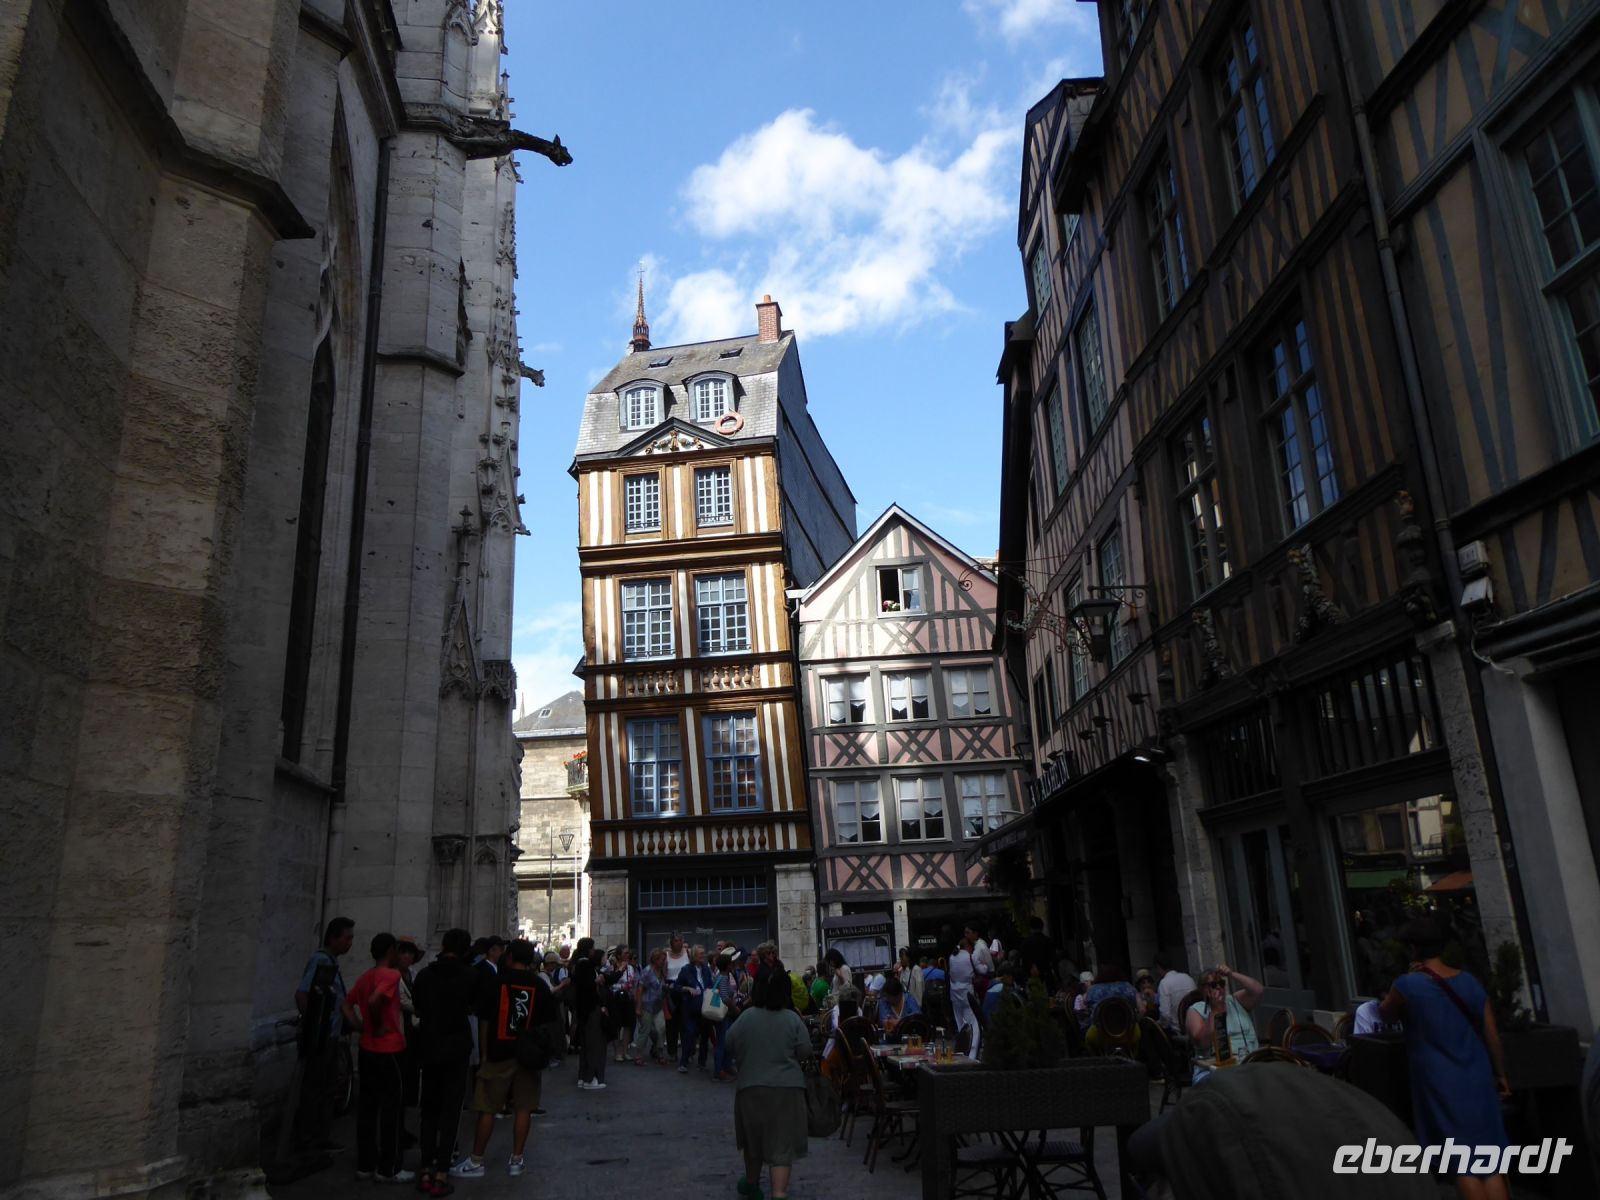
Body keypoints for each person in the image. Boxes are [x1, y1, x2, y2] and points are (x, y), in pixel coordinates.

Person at [1378, 916, 1510, 1200]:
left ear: (1413, 949)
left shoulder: (1407, 985)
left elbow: (1384, 1014)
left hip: (1438, 1079)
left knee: (1460, 1161)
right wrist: (1500, 1074)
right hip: (1476, 1074)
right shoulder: (1470, 982)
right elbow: (1492, 1034)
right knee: (1489, 1161)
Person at [452, 940, 544, 1179]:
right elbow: (548, 1022)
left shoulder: (496, 983)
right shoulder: (538, 985)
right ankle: (517, 1159)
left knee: (488, 1108)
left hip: (499, 1051)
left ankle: (477, 1160)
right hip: (528, 1056)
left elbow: (485, 1020)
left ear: (510, 956)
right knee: (524, 1108)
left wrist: (483, 1053)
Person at [726, 967, 813, 1200]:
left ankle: (752, 1183)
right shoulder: (792, 1018)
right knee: (781, 1147)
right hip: (787, 1090)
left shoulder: (746, 1017)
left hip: (750, 1089)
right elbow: (805, 1051)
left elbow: (728, 1043)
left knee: (753, 1142)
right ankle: (778, 1193)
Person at [342, 933, 413, 1183]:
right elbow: (374, 1001)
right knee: (393, 1109)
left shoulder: (365, 977)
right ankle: (388, 1167)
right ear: (391, 951)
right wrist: (378, 1024)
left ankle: (365, 1164)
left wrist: (360, 1026)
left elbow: (346, 1005)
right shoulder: (391, 976)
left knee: (368, 1109)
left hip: (367, 1048)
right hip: (389, 1049)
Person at [411, 928, 477, 1197]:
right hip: (457, 1047)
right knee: (451, 1110)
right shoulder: (469, 976)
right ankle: (441, 1172)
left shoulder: (425, 975)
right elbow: (474, 1006)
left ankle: (425, 1167)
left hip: (430, 1045)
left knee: (429, 1108)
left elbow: (417, 1007)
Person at [293, 916, 354, 1153]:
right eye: (347, 938)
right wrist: (314, 1025)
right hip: (322, 1038)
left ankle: (320, 1136)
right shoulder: (320, 960)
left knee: (327, 1087)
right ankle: (308, 1137)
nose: (349, 943)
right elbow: (302, 994)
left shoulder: (330, 963)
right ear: (333, 938)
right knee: (316, 1088)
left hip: (330, 1037)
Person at [1185, 964, 1264, 1069]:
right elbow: (1202, 1043)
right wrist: (1215, 1010)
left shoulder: (1235, 1000)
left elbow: (1258, 990)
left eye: (1221, 984)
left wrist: (1231, 974)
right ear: (1203, 989)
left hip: (1251, 1061)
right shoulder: (1195, 1010)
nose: (1218, 987)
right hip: (1217, 1067)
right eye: (1213, 985)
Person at [569, 938, 607, 1090]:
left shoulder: (577, 964)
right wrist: (597, 980)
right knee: (594, 1044)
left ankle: (583, 1076)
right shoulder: (585, 965)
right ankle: (591, 1078)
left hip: (583, 1009)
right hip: (591, 1008)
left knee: (586, 1044)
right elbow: (587, 987)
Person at [676, 944, 715, 1072]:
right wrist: (688, 988)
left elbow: (710, 984)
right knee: (690, 1034)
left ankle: (702, 1062)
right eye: (700, 954)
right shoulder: (686, 969)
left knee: (705, 1035)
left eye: (703, 953)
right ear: (694, 956)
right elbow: (677, 986)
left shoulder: (706, 969)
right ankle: (684, 1062)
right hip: (691, 1007)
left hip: (704, 1007)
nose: (703, 956)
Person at [633, 948, 670, 1064]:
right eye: (661, 960)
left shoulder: (663, 971)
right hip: (646, 1005)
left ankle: (659, 1052)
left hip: (658, 1005)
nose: (663, 962)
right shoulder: (648, 971)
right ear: (655, 959)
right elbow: (640, 989)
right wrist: (638, 1007)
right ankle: (639, 1055)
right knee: (645, 1029)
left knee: (661, 1028)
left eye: (664, 960)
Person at [948, 931, 981, 1057]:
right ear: (967, 947)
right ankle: (972, 1054)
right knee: (973, 1025)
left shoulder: (952, 957)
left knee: (961, 1024)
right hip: (967, 994)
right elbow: (980, 970)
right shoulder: (968, 956)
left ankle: (961, 1052)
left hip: (955, 995)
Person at [713, 952, 742, 1081]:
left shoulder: (719, 976)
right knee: (722, 1042)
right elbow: (725, 997)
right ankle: (719, 1070)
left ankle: (724, 1066)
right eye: (731, 963)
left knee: (723, 1040)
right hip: (724, 1013)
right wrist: (734, 1008)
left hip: (724, 1013)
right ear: (727, 965)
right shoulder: (724, 978)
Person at [1153, 951, 1197, 1031]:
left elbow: (1165, 1015)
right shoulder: (1187, 977)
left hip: (1178, 1029)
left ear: (1158, 967)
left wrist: (1159, 1024)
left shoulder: (1164, 983)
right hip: (1194, 1024)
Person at [664, 933, 691, 1058]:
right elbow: (663, 973)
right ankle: (672, 1052)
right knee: (671, 1023)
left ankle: (688, 1052)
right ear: (671, 942)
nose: (678, 943)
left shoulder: (688, 953)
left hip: (686, 989)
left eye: (680, 940)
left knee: (686, 1022)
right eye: (676, 940)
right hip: (671, 989)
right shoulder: (666, 955)